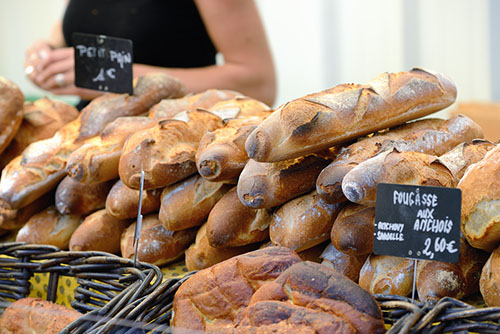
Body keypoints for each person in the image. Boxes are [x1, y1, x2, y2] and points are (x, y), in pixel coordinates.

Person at [24, 0, 276, 109]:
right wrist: (49, 48)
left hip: (173, 151)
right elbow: (81, 22)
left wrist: (125, 78)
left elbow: (258, 83)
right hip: (92, 143)